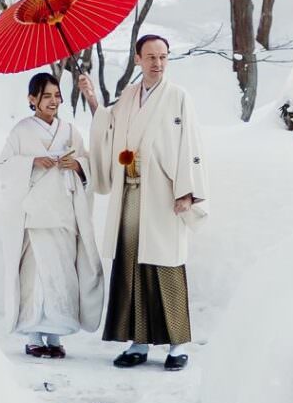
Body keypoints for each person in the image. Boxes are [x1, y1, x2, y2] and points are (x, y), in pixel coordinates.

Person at [78, 34, 207, 370]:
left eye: (163, 57)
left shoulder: (178, 98)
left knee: (166, 265)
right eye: (150, 57)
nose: (157, 63)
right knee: (132, 264)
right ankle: (138, 343)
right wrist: (92, 98)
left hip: (164, 193)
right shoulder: (130, 95)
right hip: (131, 190)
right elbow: (109, 127)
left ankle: (177, 345)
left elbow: (189, 144)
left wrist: (187, 190)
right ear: (137, 59)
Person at [0, 72, 104, 358]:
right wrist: (32, 162)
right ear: (32, 99)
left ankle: (55, 333)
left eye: (56, 95)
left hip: (63, 213)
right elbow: (2, 167)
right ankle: (33, 334)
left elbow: (89, 162)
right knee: (35, 275)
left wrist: (78, 165)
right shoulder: (21, 131)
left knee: (62, 274)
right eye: (46, 96)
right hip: (35, 216)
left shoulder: (70, 131)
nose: (53, 101)